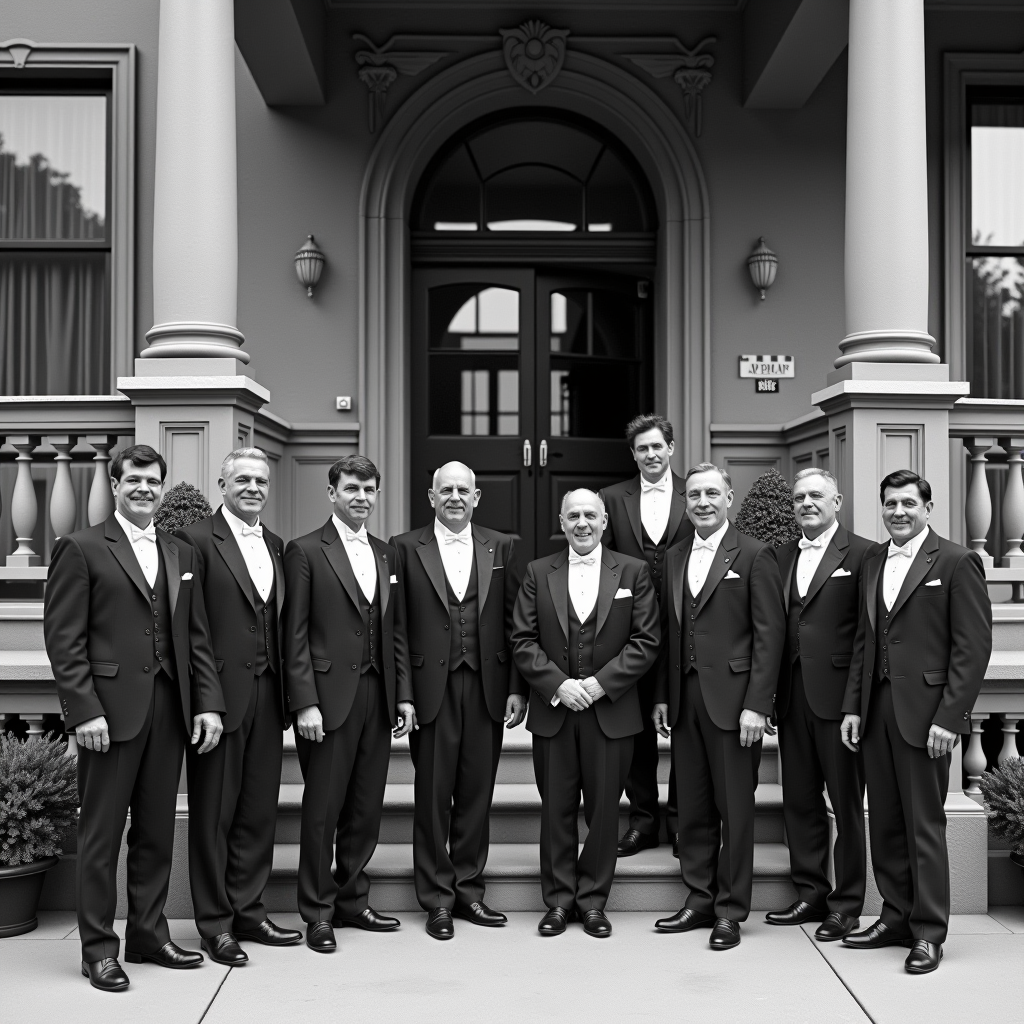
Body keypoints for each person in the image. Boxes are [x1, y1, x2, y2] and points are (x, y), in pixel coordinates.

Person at [44, 444, 224, 991]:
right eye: (135, 480)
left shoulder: (179, 550)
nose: (144, 489)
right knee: (101, 835)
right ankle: (98, 949)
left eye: (153, 481)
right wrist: (84, 713)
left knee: (154, 830)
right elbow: (65, 640)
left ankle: (149, 933)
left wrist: (208, 703)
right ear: (116, 486)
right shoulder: (80, 547)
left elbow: (196, 637)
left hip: (169, 710)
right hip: (109, 716)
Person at [840, 469, 991, 974]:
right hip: (877, 711)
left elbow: (972, 649)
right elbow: (865, 639)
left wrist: (950, 717)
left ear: (927, 508)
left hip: (927, 718)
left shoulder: (956, 561)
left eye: (908, 503)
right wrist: (853, 707)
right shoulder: (873, 560)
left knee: (923, 825)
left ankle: (929, 931)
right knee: (882, 822)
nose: (898, 512)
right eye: (890, 504)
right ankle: (894, 915)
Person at [511, 489, 660, 938]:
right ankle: (558, 901)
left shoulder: (632, 572)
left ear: (604, 521)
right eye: (573, 515)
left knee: (603, 813)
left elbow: (646, 640)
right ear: (561, 521)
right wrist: (558, 685)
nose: (582, 523)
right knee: (556, 809)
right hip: (555, 711)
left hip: (610, 712)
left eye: (590, 515)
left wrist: (598, 684)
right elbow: (522, 639)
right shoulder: (539, 572)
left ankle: (593, 901)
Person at [176, 448, 302, 965]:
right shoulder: (195, 539)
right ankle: (215, 924)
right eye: (243, 479)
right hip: (220, 700)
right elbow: (193, 628)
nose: (253, 487)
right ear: (222, 484)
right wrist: (206, 699)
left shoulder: (274, 544)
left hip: (268, 696)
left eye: (261, 480)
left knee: (257, 811)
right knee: (213, 814)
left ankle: (249, 910)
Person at [390, 461, 526, 939]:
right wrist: (402, 695)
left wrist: (516, 687)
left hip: (488, 687)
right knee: (432, 797)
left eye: (462, 490)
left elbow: (517, 625)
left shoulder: (503, 546)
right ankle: (436, 899)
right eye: (445, 490)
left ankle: (469, 891)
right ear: (431, 497)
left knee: (476, 794)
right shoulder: (404, 548)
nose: (454, 497)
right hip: (430, 690)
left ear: (476, 496)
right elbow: (397, 630)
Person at [283, 455, 413, 953]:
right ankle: (316, 911)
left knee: (365, 805)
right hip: (327, 700)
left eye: (369, 490)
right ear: (332, 493)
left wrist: (402, 695)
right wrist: (305, 703)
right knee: (323, 809)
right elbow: (293, 633)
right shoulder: (304, 551)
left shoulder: (386, 554)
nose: (361, 497)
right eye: (352, 488)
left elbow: (394, 631)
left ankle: (353, 899)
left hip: (377, 695)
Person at [653, 462, 785, 950]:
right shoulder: (673, 556)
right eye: (693, 495)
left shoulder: (754, 554)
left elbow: (770, 637)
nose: (702, 502)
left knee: (735, 808)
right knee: (693, 807)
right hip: (686, 701)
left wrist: (758, 704)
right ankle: (699, 897)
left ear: (729, 498)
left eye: (712, 493)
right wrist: (664, 696)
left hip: (735, 705)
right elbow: (669, 634)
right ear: (684, 503)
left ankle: (730, 909)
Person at [765, 469, 871, 941]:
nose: (807, 503)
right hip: (792, 698)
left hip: (839, 703)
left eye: (816, 496)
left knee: (846, 807)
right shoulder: (780, 555)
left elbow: (869, 637)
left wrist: (855, 704)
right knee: (800, 801)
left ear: (838, 501)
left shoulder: (866, 553)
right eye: (799, 497)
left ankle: (846, 905)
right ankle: (811, 892)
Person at [600, 414, 692, 858]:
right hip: (630, 632)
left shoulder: (693, 493)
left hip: (686, 629)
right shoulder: (611, 499)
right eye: (642, 449)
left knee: (688, 726)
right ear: (633, 454)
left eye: (658, 446)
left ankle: (681, 820)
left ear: (671, 448)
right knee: (636, 730)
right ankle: (643, 820)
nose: (651, 455)